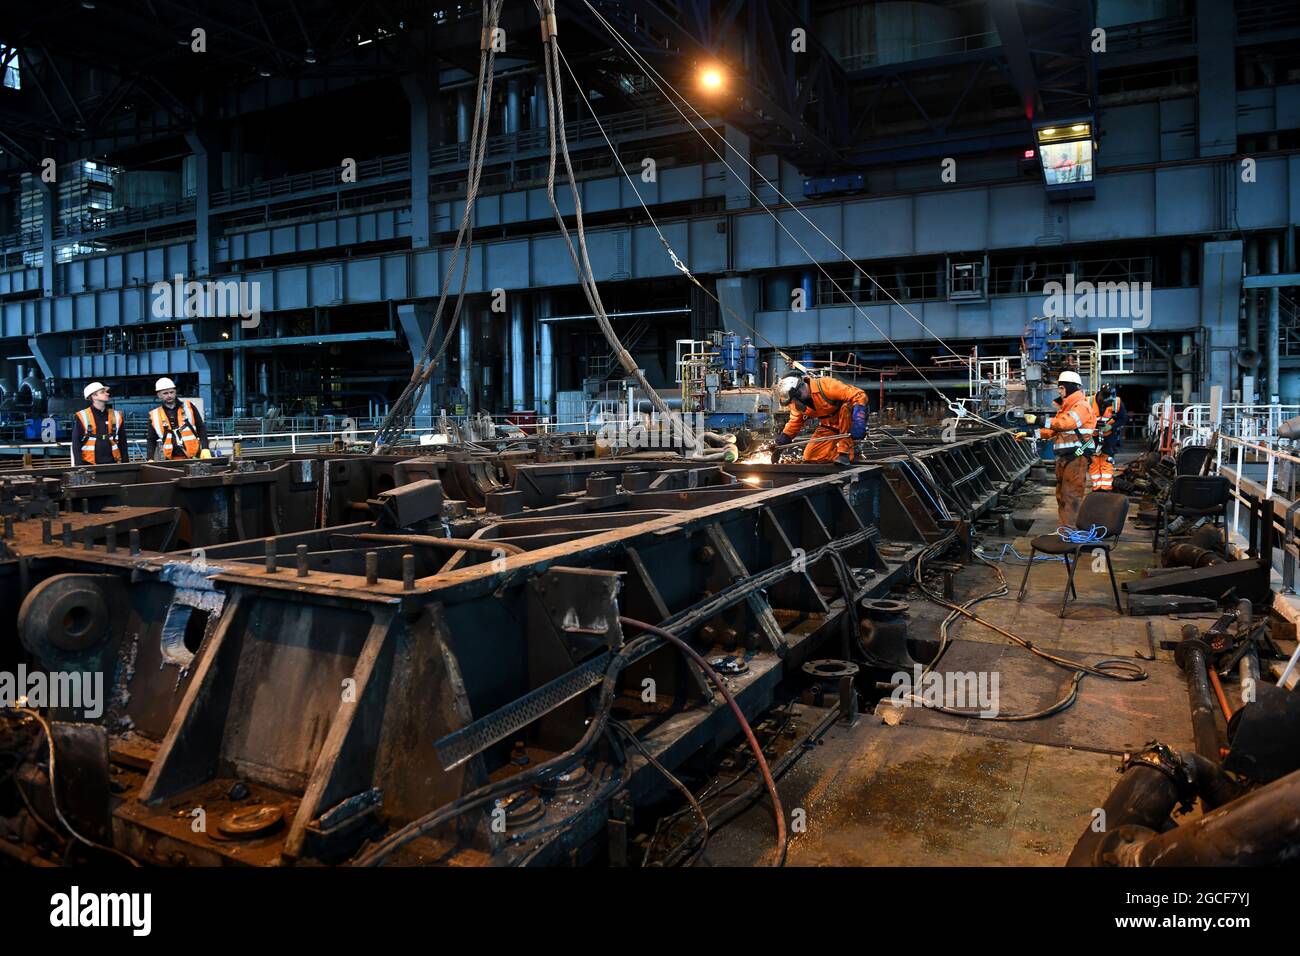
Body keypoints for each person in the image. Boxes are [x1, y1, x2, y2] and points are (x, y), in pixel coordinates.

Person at [1018, 370, 1097, 527]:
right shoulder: (1067, 408)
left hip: (1077, 457)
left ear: (1070, 387)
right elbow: (1053, 430)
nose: (1059, 391)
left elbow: (1065, 424)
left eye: (1061, 388)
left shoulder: (1081, 406)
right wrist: (1028, 433)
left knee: (1071, 495)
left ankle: (1069, 532)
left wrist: (1039, 419)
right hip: (1066, 457)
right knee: (1062, 495)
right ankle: (1065, 529)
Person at [771, 372, 868, 465]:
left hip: (849, 420)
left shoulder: (827, 385)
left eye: (794, 400)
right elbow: (795, 423)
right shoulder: (797, 404)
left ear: (800, 390)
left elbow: (859, 395)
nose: (794, 404)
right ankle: (853, 453)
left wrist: (858, 420)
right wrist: (780, 443)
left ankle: (845, 453)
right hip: (829, 425)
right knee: (810, 456)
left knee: (846, 407)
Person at [146, 377, 209, 461]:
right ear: (159, 395)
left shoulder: (188, 407)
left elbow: (201, 427)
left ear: (175, 392)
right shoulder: (155, 415)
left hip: (194, 457)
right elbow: (151, 439)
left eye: (171, 392)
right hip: (172, 460)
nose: (169, 395)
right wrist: (150, 458)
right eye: (165, 393)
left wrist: (205, 448)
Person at [71, 381, 129, 466]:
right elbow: (76, 443)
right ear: (93, 396)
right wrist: (79, 466)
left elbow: (123, 442)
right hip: (89, 464)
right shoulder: (83, 416)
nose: (107, 394)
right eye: (102, 392)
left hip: (113, 463)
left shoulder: (116, 416)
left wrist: (125, 463)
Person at [1088, 383, 1126, 492]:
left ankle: (1106, 488)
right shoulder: (1088, 402)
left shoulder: (1117, 402)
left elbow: (1122, 418)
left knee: (1107, 461)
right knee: (1094, 461)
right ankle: (1096, 487)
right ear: (1100, 395)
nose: (1108, 403)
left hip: (1109, 437)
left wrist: (1111, 426)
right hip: (1092, 437)